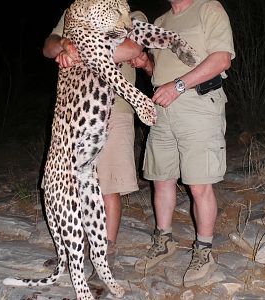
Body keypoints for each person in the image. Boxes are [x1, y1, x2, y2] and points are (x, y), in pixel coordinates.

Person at [131, 0, 235, 287]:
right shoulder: (160, 22)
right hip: (162, 107)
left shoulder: (208, 9)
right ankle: (163, 241)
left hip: (198, 104)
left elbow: (222, 59)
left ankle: (204, 251)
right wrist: (144, 64)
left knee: (199, 184)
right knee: (161, 179)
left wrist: (178, 85)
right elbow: (158, 71)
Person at [42, 10, 148, 267]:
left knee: (108, 185)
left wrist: (78, 54)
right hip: (72, 112)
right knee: (70, 183)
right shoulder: (75, 13)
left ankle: (105, 254)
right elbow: (48, 46)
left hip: (113, 110)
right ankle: (73, 247)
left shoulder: (134, 15)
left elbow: (131, 49)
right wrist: (65, 45)